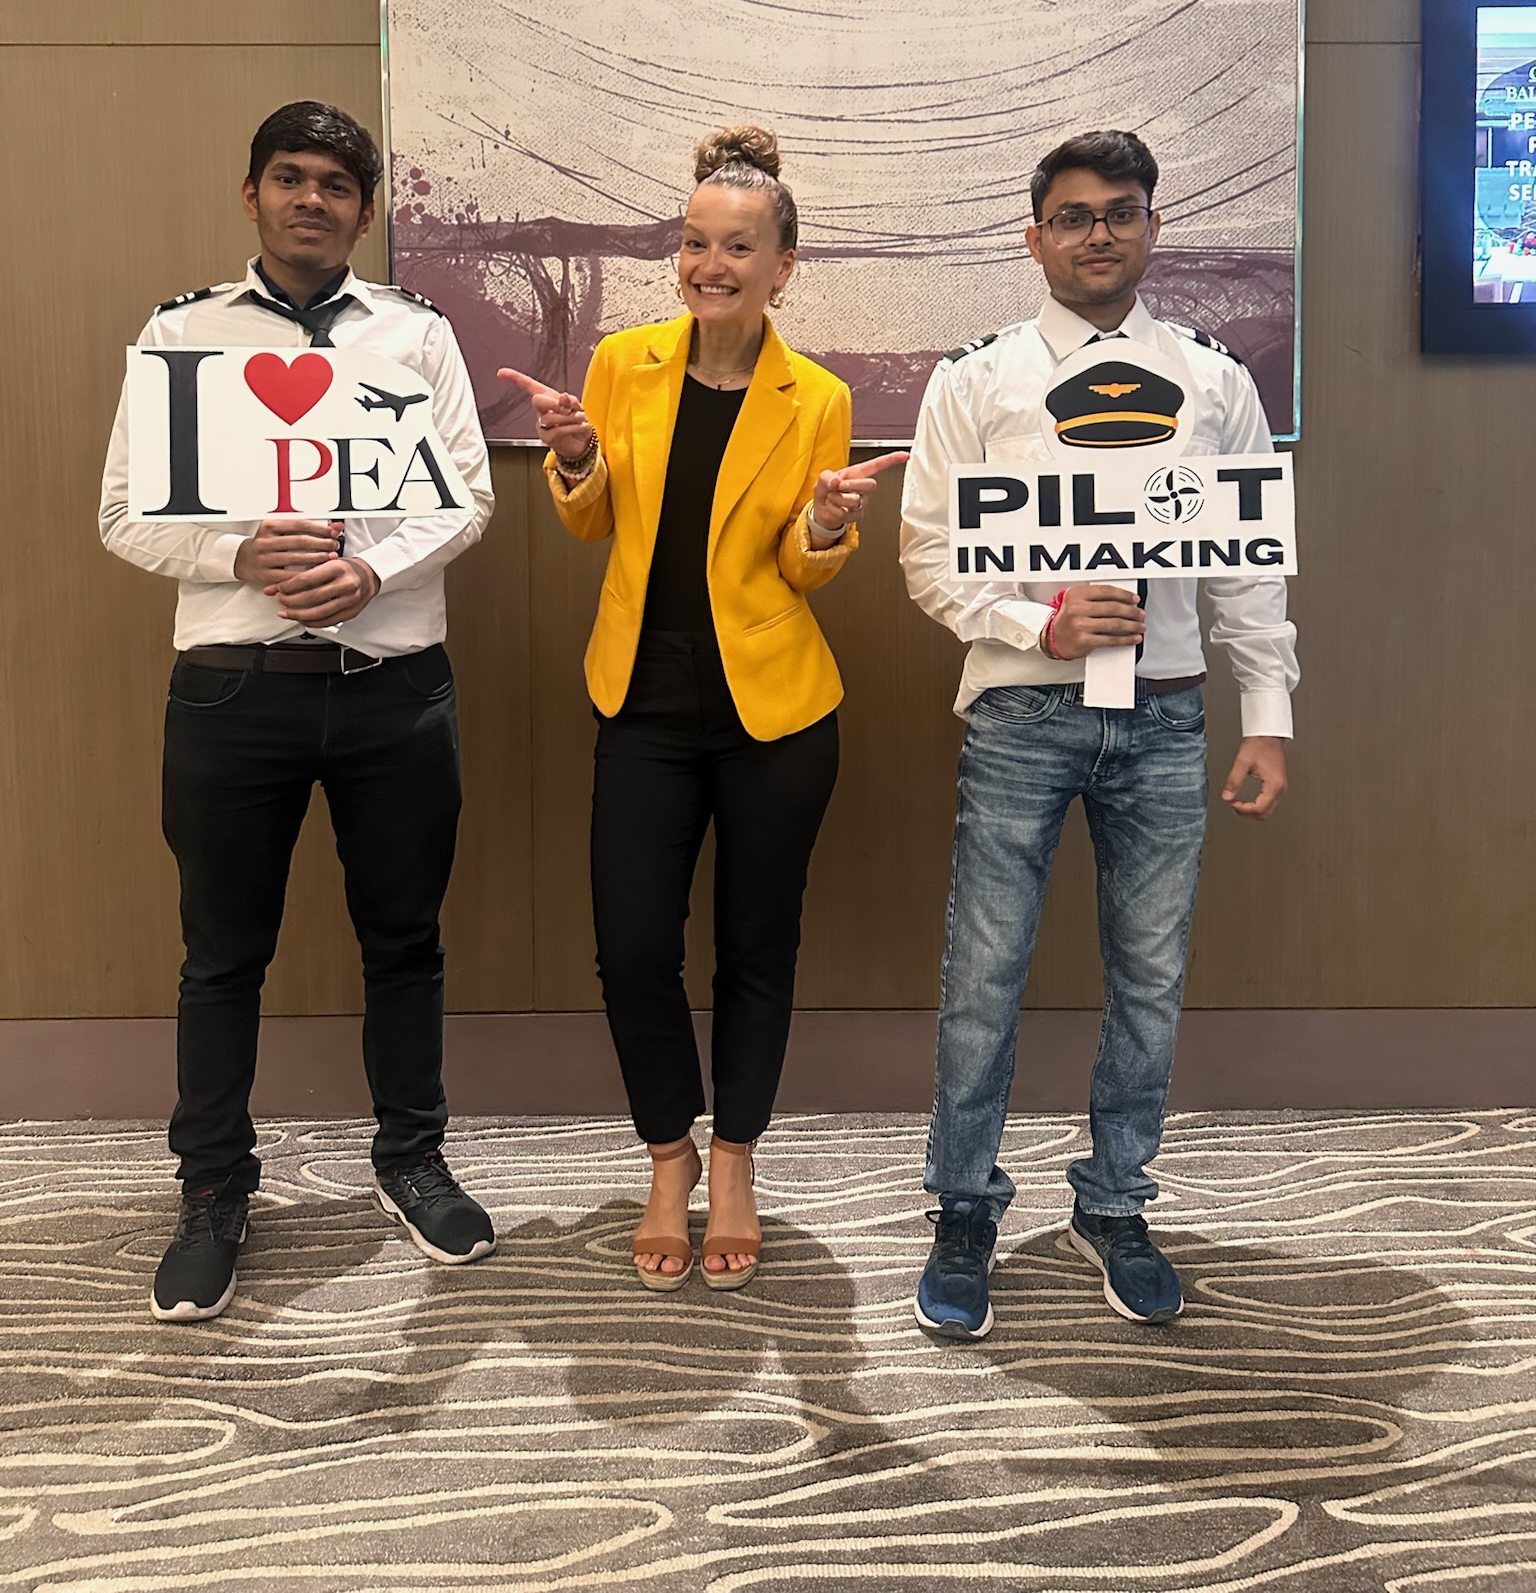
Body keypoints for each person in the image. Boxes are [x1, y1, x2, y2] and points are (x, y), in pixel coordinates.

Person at [100, 101, 497, 1321]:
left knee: (406, 942)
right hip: (232, 694)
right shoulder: (182, 334)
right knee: (222, 956)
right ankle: (215, 1187)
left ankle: (410, 1156)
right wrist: (241, 552)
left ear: (365, 210)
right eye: (289, 177)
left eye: (336, 183)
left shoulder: (417, 333)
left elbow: (469, 498)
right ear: (251, 194)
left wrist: (373, 570)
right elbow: (123, 513)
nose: (311, 199)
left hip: (394, 689)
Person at [899, 128, 1298, 1338]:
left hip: (1170, 715)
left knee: (1153, 978)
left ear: (1152, 229)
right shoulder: (976, 379)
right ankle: (963, 1203)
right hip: (1024, 709)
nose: (1098, 233)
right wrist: (1040, 619)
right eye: (1072, 216)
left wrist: (1267, 714)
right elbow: (927, 553)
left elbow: (1249, 570)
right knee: (984, 978)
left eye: (1121, 212)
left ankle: (1115, 1200)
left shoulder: (1216, 379)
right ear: (1035, 237)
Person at [503, 126, 904, 1293]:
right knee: (631, 947)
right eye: (693, 243)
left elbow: (799, 560)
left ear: (785, 266)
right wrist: (572, 459)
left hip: (775, 706)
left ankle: (735, 1164)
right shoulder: (623, 364)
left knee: (756, 947)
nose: (709, 264)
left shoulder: (815, 394)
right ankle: (667, 1154)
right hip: (642, 694)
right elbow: (589, 522)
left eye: (738, 246)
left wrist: (828, 524)